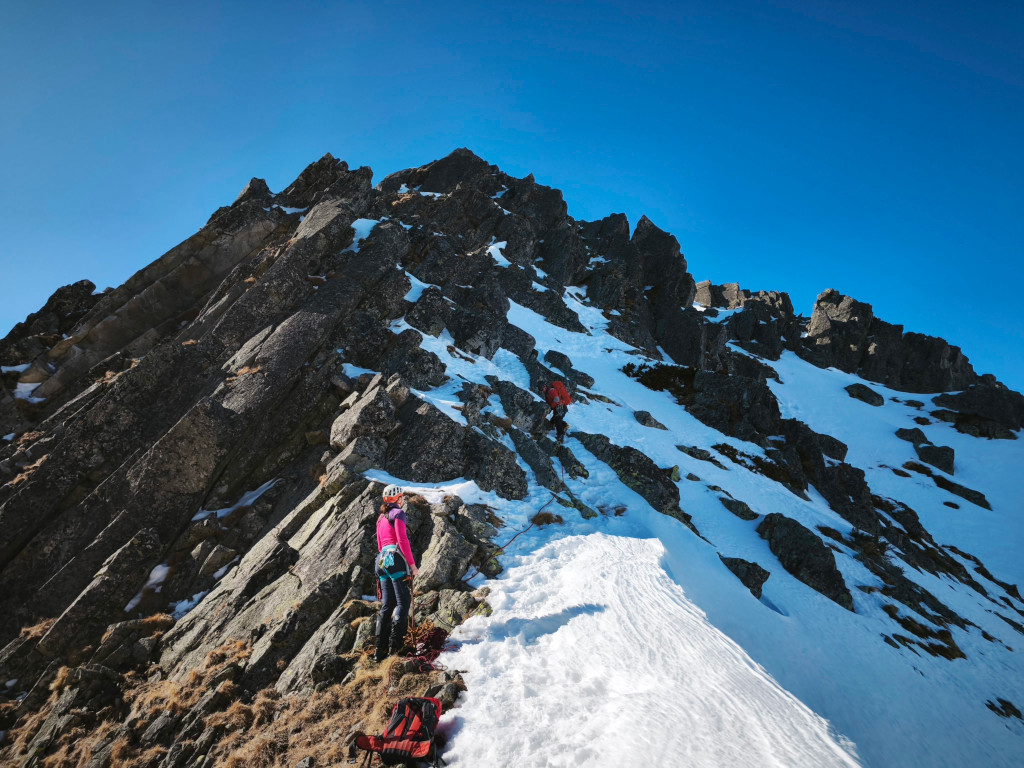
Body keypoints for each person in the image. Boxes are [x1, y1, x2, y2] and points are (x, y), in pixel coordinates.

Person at [374, 484, 419, 662]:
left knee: (388, 604)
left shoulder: (380, 518)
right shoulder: (398, 514)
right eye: (402, 497)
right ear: (398, 498)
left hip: (380, 561)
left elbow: (379, 545)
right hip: (395, 558)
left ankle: (379, 651)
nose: (403, 499)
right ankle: (395, 650)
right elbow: (402, 540)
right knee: (403, 602)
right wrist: (412, 565)